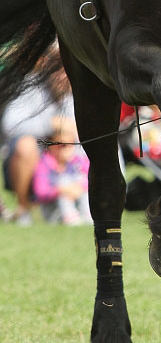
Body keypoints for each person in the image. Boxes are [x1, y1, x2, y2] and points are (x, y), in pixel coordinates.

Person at [1, 62, 74, 225]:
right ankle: (24, 210)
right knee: (25, 145)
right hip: (35, 160)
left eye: (66, 72)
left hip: (71, 165)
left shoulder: (77, 90)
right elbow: (10, 124)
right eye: (58, 72)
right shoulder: (32, 86)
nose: (62, 77)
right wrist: (50, 124)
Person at [32, 116, 91, 225]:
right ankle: (70, 218)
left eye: (71, 144)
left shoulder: (77, 161)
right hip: (54, 212)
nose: (68, 149)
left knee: (80, 181)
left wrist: (79, 187)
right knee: (63, 182)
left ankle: (88, 215)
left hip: (77, 203)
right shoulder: (45, 164)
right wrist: (60, 190)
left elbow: (92, 178)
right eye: (62, 145)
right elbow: (40, 192)